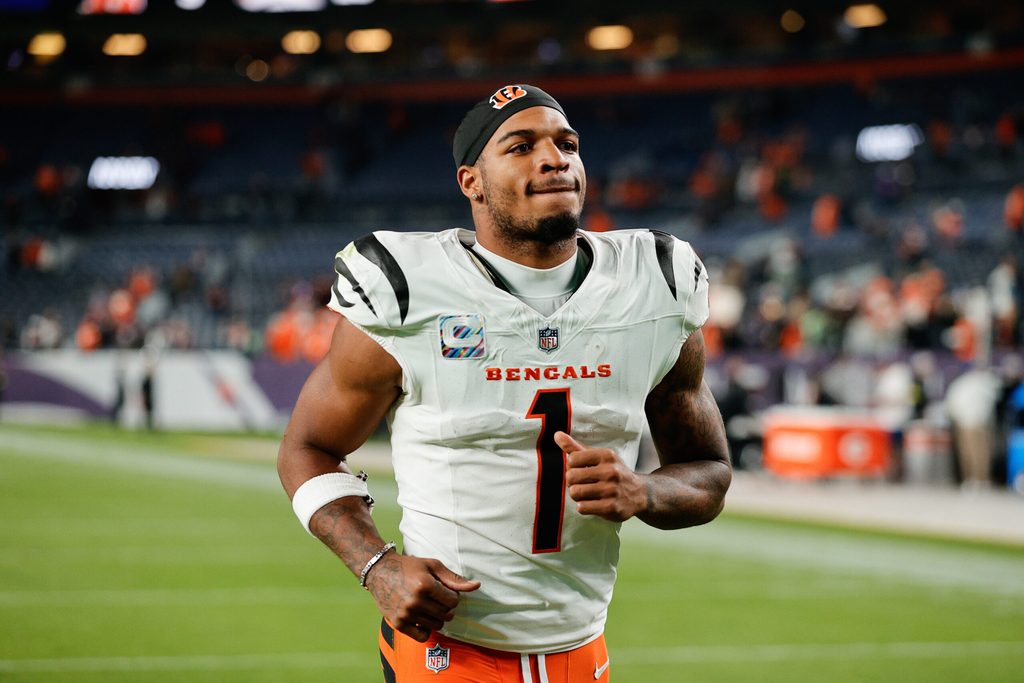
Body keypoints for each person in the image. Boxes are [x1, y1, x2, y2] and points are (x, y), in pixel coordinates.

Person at [277, 84, 731, 683]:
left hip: (583, 651)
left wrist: (645, 492)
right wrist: (376, 565)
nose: (554, 159)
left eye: (567, 144)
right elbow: (306, 449)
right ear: (471, 182)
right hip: (447, 650)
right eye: (521, 146)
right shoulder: (408, 289)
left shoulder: (655, 284)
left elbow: (709, 472)